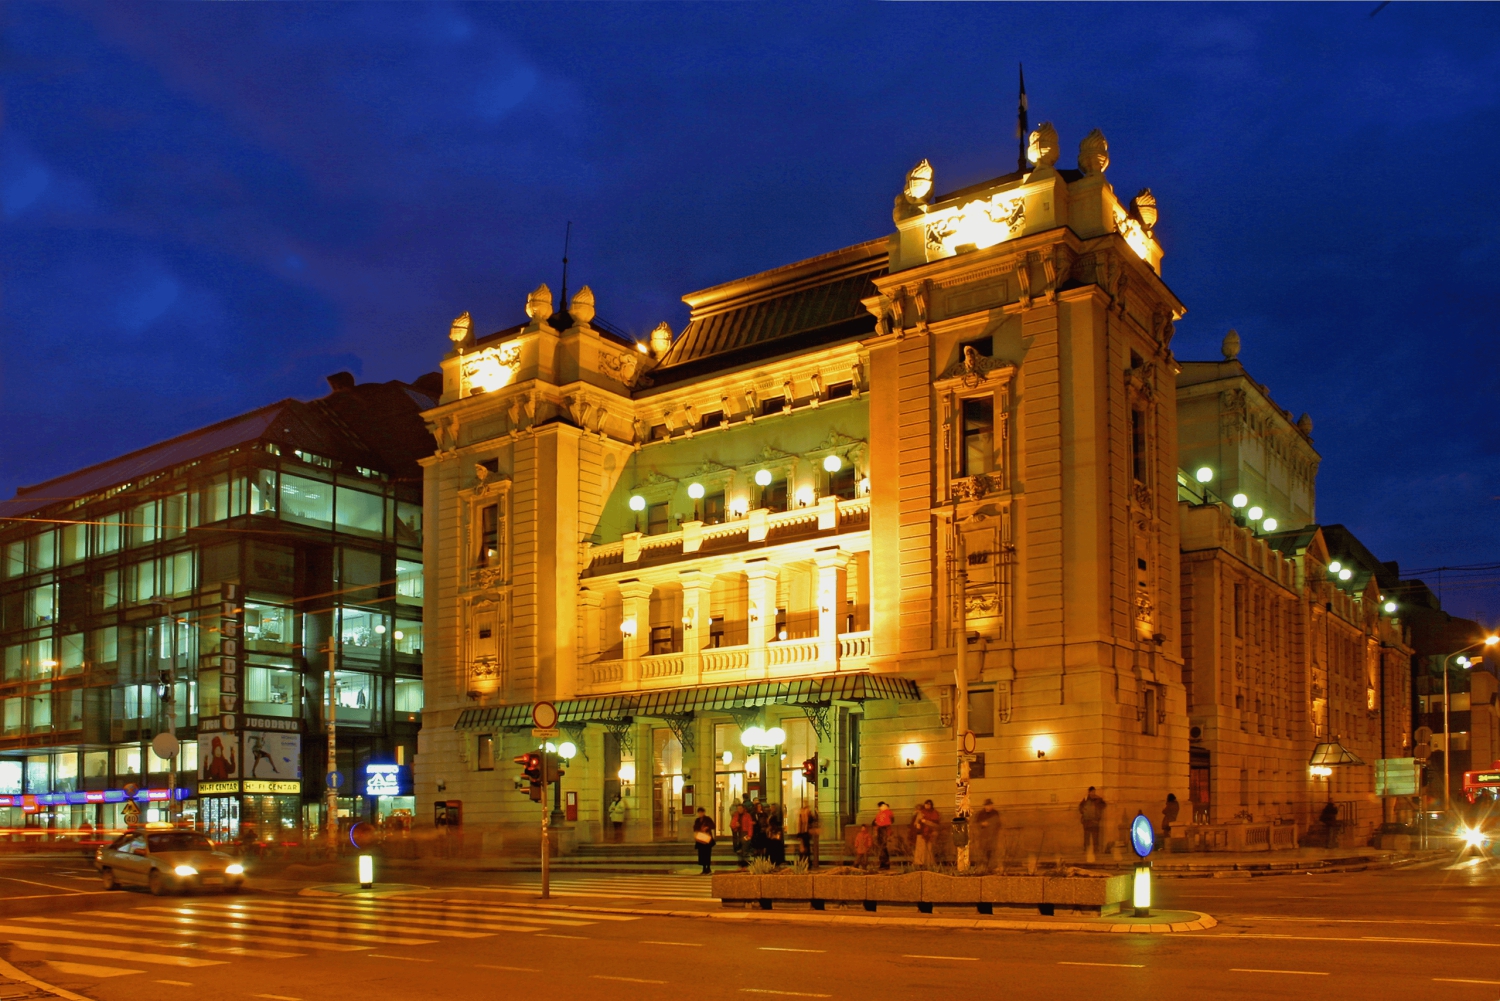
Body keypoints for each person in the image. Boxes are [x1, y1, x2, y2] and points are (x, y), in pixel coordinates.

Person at [972, 799, 1001, 869]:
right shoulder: (981, 813)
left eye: (989, 806)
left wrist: (991, 824)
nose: (988, 807)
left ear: (992, 806)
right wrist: (981, 824)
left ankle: (991, 866)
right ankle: (984, 865)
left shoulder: (995, 813)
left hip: (992, 835)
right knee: (983, 851)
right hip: (983, 836)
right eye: (986, 806)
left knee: (992, 851)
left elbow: (998, 824)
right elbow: (975, 824)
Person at [912, 800, 941, 868]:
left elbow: (936, 825)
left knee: (929, 850)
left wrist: (926, 822)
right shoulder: (921, 813)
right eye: (926, 804)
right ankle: (920, 863)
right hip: (921, 833)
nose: (927, 806)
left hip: (931, 833)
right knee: (920, 849)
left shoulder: (934, 813)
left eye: (929, 804)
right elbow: (916, 822)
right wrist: (917, 824)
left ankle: (929, 864)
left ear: (931, 805)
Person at [1078, 787, 1105, 859]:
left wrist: (1098, 813)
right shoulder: (1086, 799)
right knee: (1086, 836)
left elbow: (1103, 805)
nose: (1093, 793)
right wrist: (1083, 811)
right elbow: (1080, 807)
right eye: (1092, 792)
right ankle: (1086, 849)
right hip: (1087, 820)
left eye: (1094, 791)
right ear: (1089, 792)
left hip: (1095, 820)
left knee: (1095, 836)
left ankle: (1096, 849)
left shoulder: (1098, 799)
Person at [692, 807, 716, 874]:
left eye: (701, 812)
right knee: (701, 854)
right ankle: (703, 868)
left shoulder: (707, 819)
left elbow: (713, 826)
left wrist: (707, 827)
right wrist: (699, 829)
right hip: (700, 839)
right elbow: (695, 828)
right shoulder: (697, 820)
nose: (700, 814)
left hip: (707, 839)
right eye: (699, 812)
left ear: (704, 812)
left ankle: (708, 868)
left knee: (707, 854)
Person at [796, 802, 820, 867]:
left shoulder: (804, 813)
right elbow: (801, 823)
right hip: (804, 832)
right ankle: (805, 862)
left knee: (804, 848)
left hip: (805, 832)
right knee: (805, 848)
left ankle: (804, 862)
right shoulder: (803, 813)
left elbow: (801, 823)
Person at [874, 801, 894, 869]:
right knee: (882, 848)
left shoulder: (886, 812)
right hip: (881, 829)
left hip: (883, 829)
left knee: (883, 847)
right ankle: (883, 863)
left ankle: (885, 863)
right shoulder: (881, 813)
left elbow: (890, 820)